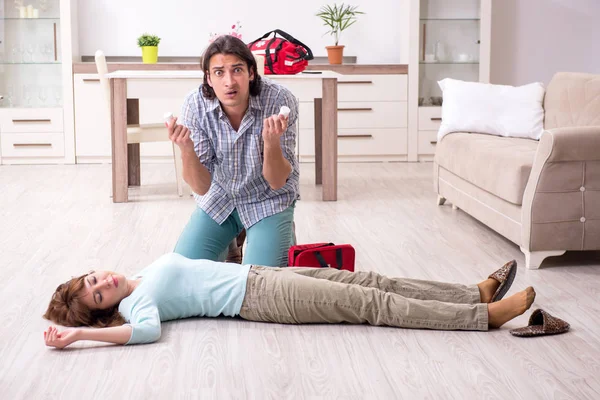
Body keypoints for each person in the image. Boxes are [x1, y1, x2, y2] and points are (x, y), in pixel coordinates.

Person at [42, 254, 535, 349]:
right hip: (262, 296)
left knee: (369, 279)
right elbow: (146, 333)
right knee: (369, 303)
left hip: (263, 273)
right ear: (106, 308)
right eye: (98, 292)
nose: (103, 280)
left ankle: (472, 292)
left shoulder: (139, 276)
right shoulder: (135, 307)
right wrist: (81, 332)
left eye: (93, 277)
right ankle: (480, 318)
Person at [167, 35, 299, 267]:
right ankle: (232, 239)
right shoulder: (195, 104)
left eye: (237, 70)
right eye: (219, 72)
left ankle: (279, 229)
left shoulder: (279, 99)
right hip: (220, 199)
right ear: (208, 78)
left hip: (267, 199)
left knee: (260, 283)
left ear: (251, 72)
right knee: (181, 271)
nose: (229, 81)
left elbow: (277, 182)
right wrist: (186, 149)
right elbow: (200, 186)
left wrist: (271, 142)